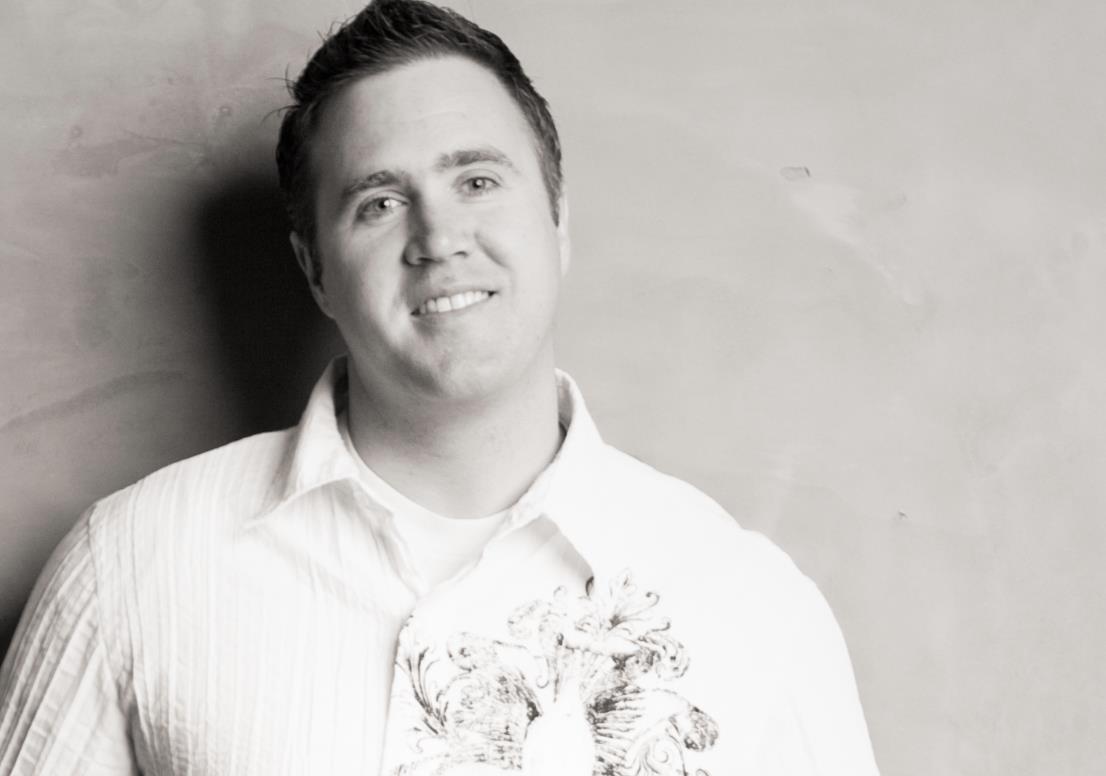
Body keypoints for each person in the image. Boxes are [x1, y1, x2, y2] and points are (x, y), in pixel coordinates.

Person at [0, 0, 880, 773]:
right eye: (379, 203)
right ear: (315, 269)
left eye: (478, 181)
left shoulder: (750, 602)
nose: (439, 237)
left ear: (558, 222)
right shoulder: (134, 567)